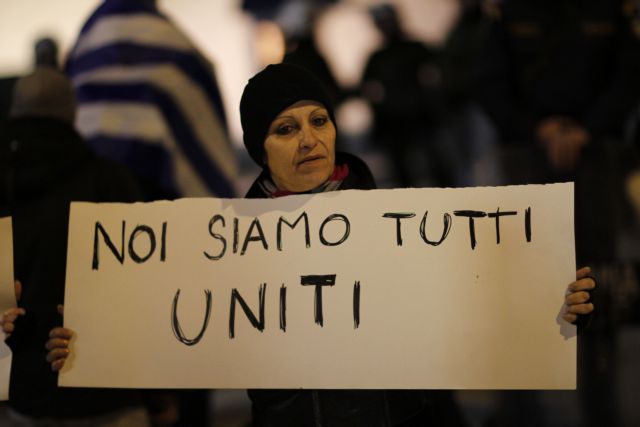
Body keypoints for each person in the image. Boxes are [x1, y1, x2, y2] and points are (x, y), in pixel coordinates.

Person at [41, 63, 596, 426]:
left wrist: (553, 304)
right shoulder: (220, 246)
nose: (309, 139)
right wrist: (89, 339)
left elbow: (477, 305)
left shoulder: (410, 227)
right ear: (260, 149)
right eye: (285, 129)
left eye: (319, 120)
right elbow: (164, 327)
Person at [0, 68, 150, 425]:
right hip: (108, 391)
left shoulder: (5, 183)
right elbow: (144, 287)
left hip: (18, 392)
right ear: (72, 112)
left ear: (14, 110)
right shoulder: (110, 179)